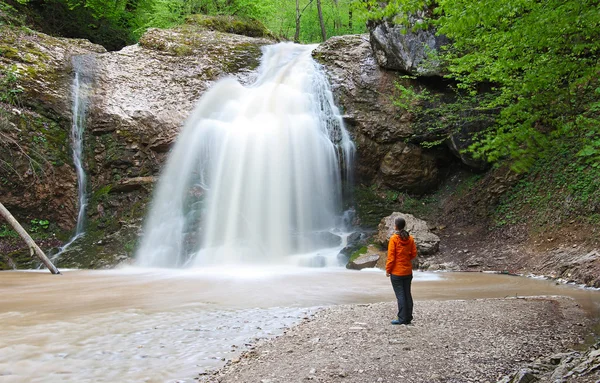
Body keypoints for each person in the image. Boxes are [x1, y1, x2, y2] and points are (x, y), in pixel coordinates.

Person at [386, 217, 417, 325]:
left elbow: (391, 257)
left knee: (400, 295)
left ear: (395, 226)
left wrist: (388, 270)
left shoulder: (394, 239)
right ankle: (408, 317)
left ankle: (402, 318)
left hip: (397, 272)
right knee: (407, 294)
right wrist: (406, 260)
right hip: (407, 271)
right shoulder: (410, 239)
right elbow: (413, 254)